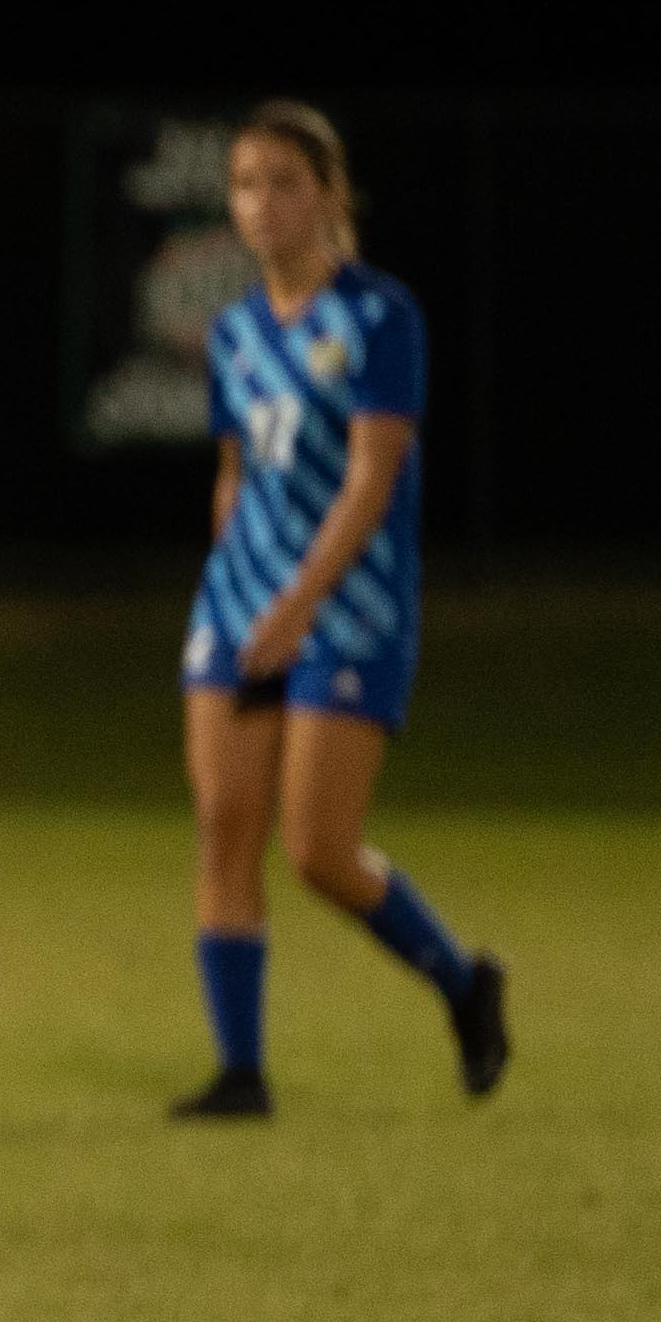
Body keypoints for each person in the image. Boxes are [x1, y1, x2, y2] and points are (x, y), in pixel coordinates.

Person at [174, 97, 511, 1119]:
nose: (262, 204)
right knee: (225, 831)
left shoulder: (379, 317)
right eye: (244, 184)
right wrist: (236, 575)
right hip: (243, 603)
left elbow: (371, 480)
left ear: (328, 193)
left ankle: (464, 983)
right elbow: (235, 470)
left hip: (348, 607)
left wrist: (297, 601)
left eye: (283, 181)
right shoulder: (233, 332)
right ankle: (242, 1073)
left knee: (317, 849)